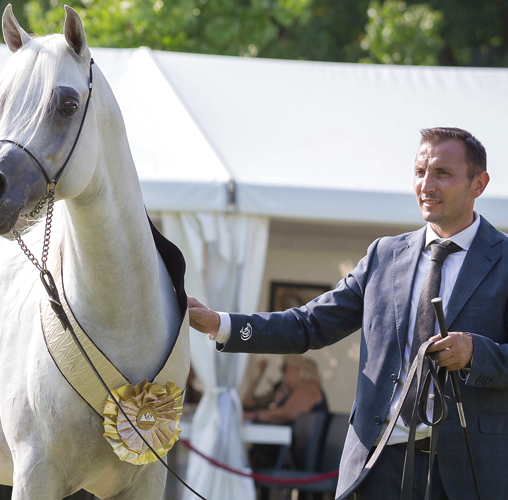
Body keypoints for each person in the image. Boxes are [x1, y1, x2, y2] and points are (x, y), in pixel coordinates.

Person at [189, 127, 507, 500]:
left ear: (479, 184)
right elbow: (309, 324)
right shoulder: (384, 255)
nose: (426, 185)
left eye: (442, 173)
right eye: (420, 172)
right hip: (375, 466)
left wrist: (476, 354)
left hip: (469, 473)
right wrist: (222, 324)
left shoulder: (503, 260)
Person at [243, 355, 329, 470]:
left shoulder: (309, 388)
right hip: (292, 453)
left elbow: (287, 413)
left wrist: (253, 415)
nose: (283, 374)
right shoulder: (292, 391)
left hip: (300, 458)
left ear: (299, 369)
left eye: (286, 368)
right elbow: (249, 403)